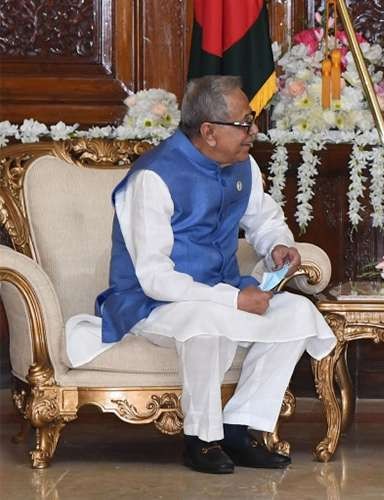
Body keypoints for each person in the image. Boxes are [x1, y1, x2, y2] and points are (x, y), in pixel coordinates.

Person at [65, 75, 336, 474]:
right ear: (209, 132)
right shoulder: (153, 178)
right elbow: (155, 278)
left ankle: (239, 428)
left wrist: (277, 245)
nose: (254, 132)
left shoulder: (243, 165)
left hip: (221, 292)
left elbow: (264, 220)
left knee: (297, 314)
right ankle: (201, 439)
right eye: (244, 124)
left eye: (252, 121)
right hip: (151, 304)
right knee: (205, 323)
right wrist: (234, 299)